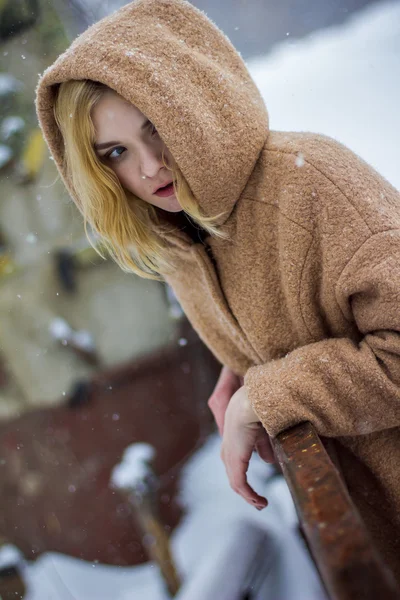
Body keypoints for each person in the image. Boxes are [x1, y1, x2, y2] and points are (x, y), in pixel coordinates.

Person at [36, 0, 400, 584]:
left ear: (195, 104)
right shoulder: (180, 236)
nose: (150, 166)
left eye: (156, 126)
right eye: (116, 152)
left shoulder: (312, 183)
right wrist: (244, 365)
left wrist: (266, 393)